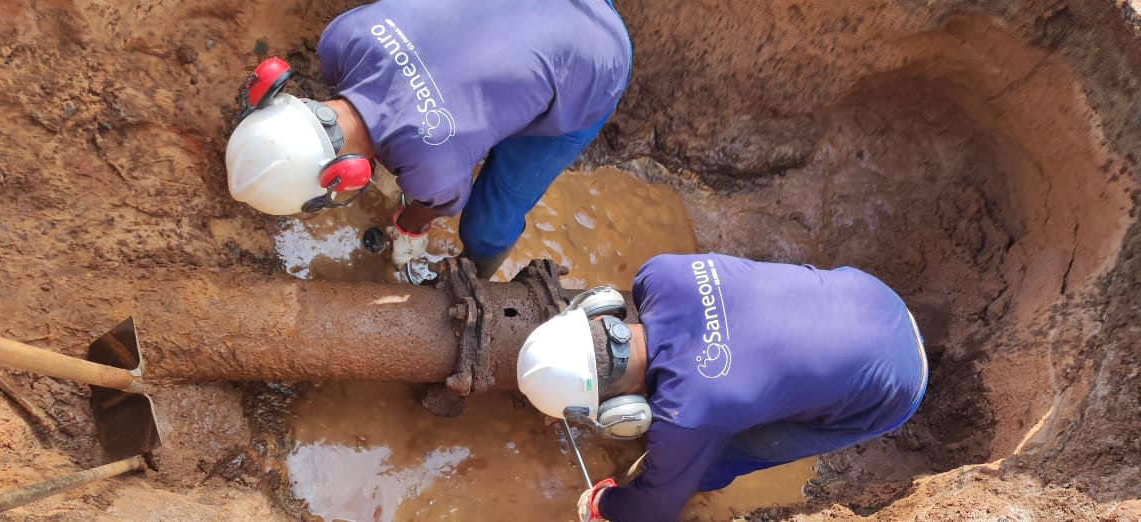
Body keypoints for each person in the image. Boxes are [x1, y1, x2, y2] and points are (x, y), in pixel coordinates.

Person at [224, 0, 632, 281]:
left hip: (594, 56)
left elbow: (429, 201)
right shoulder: (341, 40)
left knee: (488, 222)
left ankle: (477, 275)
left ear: (346, 176)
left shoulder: (435, 167)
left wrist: (411, 225)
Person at [517, 253, 928, 522]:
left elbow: (651, 510)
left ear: (619, 412)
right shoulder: (658, 274)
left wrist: (601, 504)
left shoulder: (686, 417)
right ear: (597, 309)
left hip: (893, 386)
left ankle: (706, 471)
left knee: (732, 452)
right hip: (873, 296)